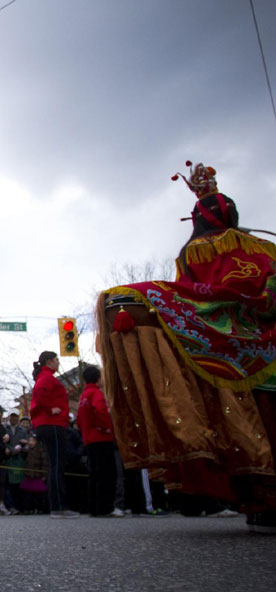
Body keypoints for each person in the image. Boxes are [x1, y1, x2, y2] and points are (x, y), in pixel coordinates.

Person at [97, 161, 276, 533]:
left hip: (219, 346)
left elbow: (191, 294)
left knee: (241, 422)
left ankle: (259, 501)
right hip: (264, 339)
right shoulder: (261, 246)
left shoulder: (191, 253)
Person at [30, 351, 79, 518]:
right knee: (57, 465)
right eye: (57, 360)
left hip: (49, 424)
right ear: (49, 361)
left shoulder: (45, 377)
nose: (58, 363)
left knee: (54, 465)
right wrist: (50, 409)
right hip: (52, 424)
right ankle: (59, 507)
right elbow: (38, 397)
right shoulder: (46, 378)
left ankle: (57, 506)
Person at [76, 365, 122, 517]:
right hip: (101, 437)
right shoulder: (96, 394)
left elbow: (79, 418)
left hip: (89, 438)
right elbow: (101, 411)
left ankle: (95, 507)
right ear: (97, 378)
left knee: (94, 474)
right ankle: (106, 507)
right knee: (108, 473)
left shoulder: (83, 396)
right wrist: (106, 428)